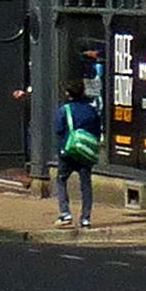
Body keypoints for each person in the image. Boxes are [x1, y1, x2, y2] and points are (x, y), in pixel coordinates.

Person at [53, 78, 103, 229]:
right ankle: (85, 218)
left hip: (68, 150)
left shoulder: (65, 109)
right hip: (85, 151)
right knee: (86, 185)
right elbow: (97, 129)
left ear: (68, 94)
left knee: (61, 180)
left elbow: (58, 129)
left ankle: (65, 214)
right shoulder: (91, 109)